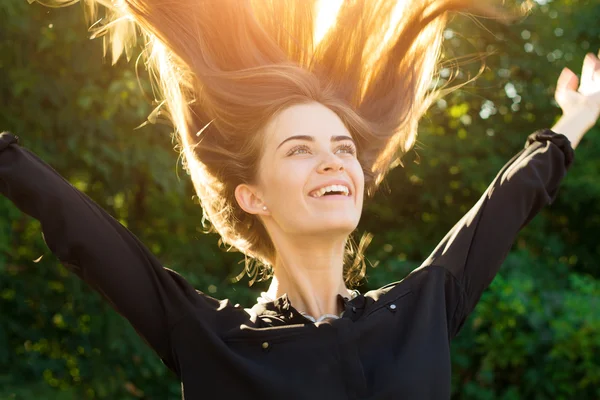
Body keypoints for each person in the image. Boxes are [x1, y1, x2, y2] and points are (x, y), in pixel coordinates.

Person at [1, 0, 599, 398]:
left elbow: (506, 203)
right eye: (299, 150)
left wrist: (572, 122)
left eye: (342, 147)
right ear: (253, 195)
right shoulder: (212, 339)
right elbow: (80, 230)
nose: (334, 160)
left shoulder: (423, 311)